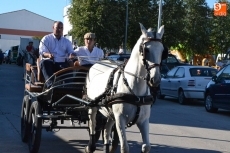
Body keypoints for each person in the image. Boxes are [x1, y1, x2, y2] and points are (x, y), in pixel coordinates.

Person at [39, 21, 76, 88]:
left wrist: (71, 55)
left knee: (68, 68)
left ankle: (68, 88)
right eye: (57, 27)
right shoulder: (46, 39)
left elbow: (71, 52)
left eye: (61, 28)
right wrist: (49, 55)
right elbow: (42, 52)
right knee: (44, 63)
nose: (59, 29)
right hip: (49, 62)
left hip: (61, 63)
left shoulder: (67, 42)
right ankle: (51, 86)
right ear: (53, 28)